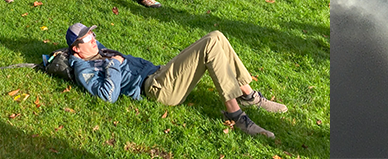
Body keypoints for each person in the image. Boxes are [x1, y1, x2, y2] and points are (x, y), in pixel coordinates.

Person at [66, 23, 288, 138]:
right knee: (210, 44)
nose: (93, 40)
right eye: (87, 39)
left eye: (93, 35)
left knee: (217, 36)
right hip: (157, 88)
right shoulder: (83, 68)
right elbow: (107, 96)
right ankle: (236, 114)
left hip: (160, 74)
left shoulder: (96, 51)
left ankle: (249, 96)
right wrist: (113, 64)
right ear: (76, 49)